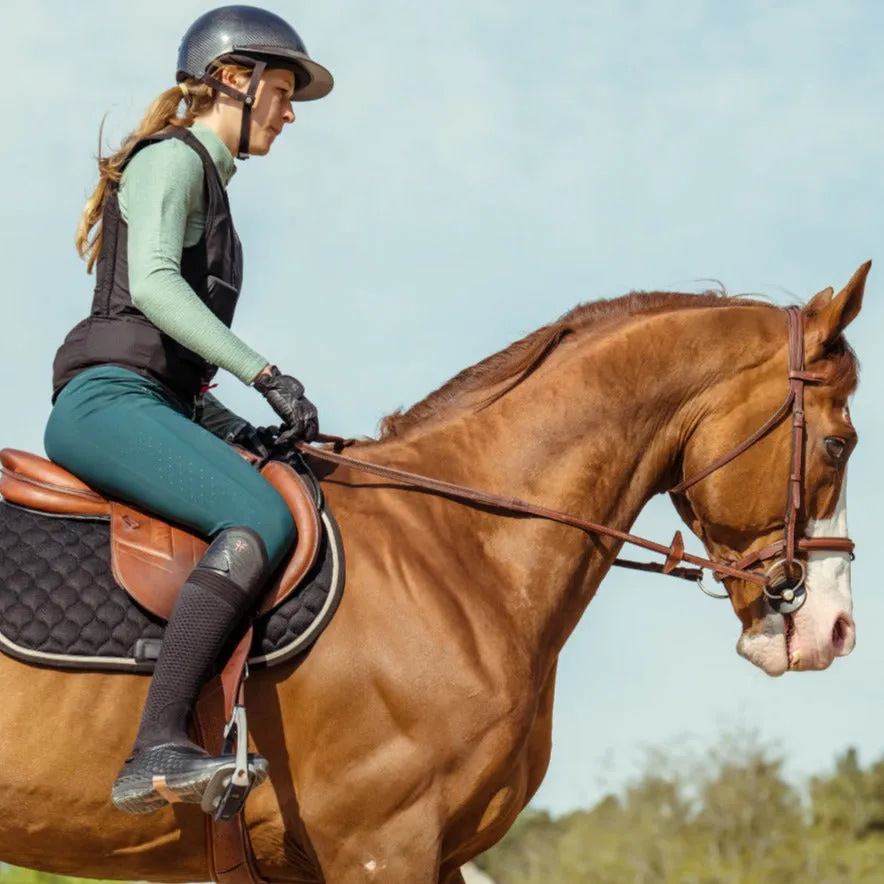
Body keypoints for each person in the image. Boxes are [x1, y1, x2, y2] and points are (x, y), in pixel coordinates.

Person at [43, 4, 333, 815]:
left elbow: (181, 375)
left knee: (274, 486)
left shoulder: (215, 189)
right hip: (106, 402)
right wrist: (265, 372)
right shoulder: (171, 160)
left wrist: (251, 431)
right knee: (259, 520)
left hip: (156, 403)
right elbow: (155, 288)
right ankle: (157, 745)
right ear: (232, 82)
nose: (290, 112)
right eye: (282, 90)